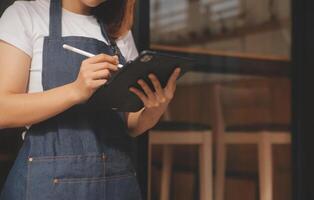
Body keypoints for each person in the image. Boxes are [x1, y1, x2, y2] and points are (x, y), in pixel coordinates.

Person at [0, 0, 181, 199]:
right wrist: (75, 91)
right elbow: (3, 110)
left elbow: (130, 122)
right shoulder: (25, 15)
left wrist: (153, 110)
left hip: (117, 182)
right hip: (47, 185)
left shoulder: (118, 31)